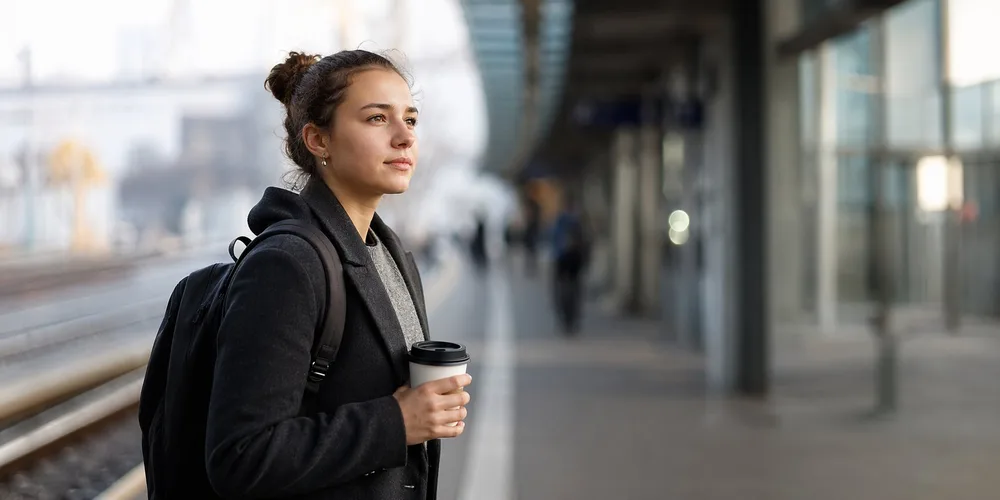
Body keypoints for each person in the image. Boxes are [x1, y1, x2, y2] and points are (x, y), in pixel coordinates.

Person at [203, 50, 472, 499]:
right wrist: (396, 422)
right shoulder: (287, 264)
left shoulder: (389, 254)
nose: (405, 137)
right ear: (317, 140)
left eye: (410, 119)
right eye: (376, 119)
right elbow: (240, 456)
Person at [550, 197, 589, 334]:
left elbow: (553, 240)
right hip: (574, 261)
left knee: (562, 291)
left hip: (562, 261)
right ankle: (572, 319)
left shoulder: (561, 221)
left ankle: (567, 319)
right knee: (574, 291)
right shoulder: (577, 222)